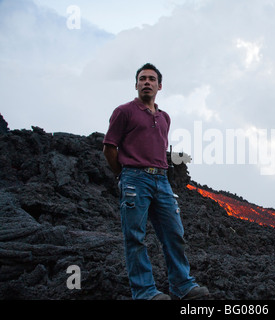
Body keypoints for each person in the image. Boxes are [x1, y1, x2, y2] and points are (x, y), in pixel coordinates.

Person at [103, 63, 209, 300]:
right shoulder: (124, 111)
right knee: (135, 237)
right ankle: (144, 292)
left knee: (174, 233)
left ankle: (182, 285)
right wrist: (124, 174)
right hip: (134, 179)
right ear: (136, 84)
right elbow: (109, 147)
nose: (147, 82)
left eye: (152, 79)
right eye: (142, 79)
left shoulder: (164, 118)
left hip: (162, 180)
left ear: (160, 86)